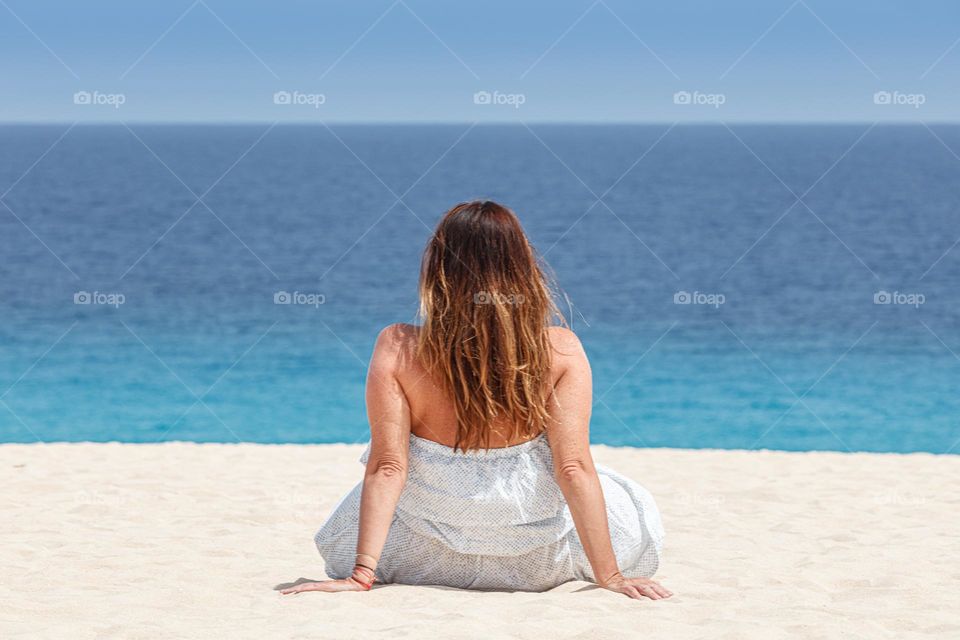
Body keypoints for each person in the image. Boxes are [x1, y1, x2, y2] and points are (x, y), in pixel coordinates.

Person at [282, 201, 670, 600]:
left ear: (440, 268)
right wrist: (610, 577)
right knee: (625, 496)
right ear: (522, 265)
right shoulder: (561, 351)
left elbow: (387, 467)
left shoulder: (397, 347)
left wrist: (362, 573)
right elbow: (572, 469)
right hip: (538, 562)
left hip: (422, 557)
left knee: (353, 513)